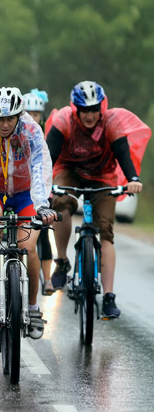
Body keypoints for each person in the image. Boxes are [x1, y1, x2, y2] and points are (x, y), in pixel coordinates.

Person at [46, 81, 150, 319]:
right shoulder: (64, 120)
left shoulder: (111, 122)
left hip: (102, 175)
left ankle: (109, 296)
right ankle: (61, 261)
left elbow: (123, 154)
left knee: (106, 230)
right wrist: (42, 184)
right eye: (84, 110)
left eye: (94, 109)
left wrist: (133, 178)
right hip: (69, 170)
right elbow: (49, 155)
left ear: (101, 108)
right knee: (60, 204)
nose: (90, 115)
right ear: (76, 109)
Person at [0, 87, 57, 339]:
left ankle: (32, 307)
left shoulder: (31, 130)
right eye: (0, 119)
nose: (5, 124)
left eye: (10, 118)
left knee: (28, 246)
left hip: (26, 191)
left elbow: (40, 167)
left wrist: (41, 205)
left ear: (19, 115)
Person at [23, 89, 55, 295]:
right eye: (29, 113)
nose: (33, 118)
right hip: (20, 189)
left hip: (42, 188)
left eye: (36, 114)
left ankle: (48, 278)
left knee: (43, 235)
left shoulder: (48, 135)